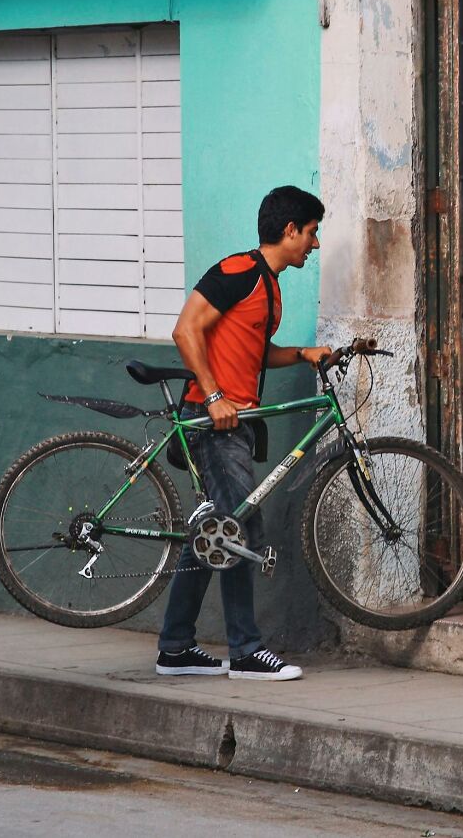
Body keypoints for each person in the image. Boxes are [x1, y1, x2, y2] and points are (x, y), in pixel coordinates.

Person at [156, 185, 330, 681]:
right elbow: (186, 329)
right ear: (290, 229)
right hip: (213, 424)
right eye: (312, 233)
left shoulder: (271, 287)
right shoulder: (237, 271)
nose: (314, 245)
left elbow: (255, 352)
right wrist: (213, 397)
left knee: (213, 532)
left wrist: (300, 353)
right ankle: (247, 652)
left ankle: (175, 648)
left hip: (236, 422)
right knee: (236, 531)